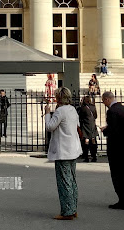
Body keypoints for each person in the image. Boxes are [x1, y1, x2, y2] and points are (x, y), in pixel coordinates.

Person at [44, 87, 82, 220]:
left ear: (58, 98)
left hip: (63, 151)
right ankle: (73, 208)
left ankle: (67, 211)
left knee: (64, 181)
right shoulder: (72, 109)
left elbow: (50, 127)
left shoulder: (60, 111)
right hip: (73, 149)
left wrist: (48, 113)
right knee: (72, 180)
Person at [101, 91, 124, 210]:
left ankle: (122, 200)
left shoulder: (111, 111)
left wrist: (105, 130)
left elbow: (113, 130)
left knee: (117, 174)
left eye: (103, 101)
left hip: (115, 147)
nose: (103, 103)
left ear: (107, 99)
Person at [78, 96, 98, 163]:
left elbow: (80, 116)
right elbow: (95, 116)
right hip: (92, 124)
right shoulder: (93, 106)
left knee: (86, 140)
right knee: (93, 140)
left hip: (85, 125)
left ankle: (86, 157)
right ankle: (94, 156)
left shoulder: (83, 108)